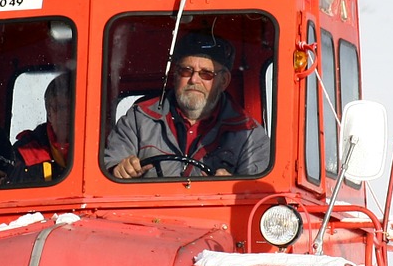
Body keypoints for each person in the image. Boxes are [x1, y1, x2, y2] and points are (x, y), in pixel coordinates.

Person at [104, 31, 269, 178]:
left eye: (206, 74)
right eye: (186, 71)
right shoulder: (138, 119)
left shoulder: (249, 135)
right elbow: (109, 165)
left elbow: (256, 192)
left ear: (224, 81)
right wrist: (119, 169)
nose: (194, 80)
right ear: (175, 75)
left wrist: (233, 184)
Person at [10, 71, 72, 184]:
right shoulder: (24, 155)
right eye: (61, 108)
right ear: (49, 113)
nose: (68, 114)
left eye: (74, 107)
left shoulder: (107, 151)